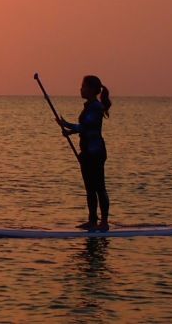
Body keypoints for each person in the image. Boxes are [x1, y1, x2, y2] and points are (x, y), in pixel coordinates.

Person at [57, 75, 112, 231]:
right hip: (87, 152)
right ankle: (92, 221)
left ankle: (104, 222)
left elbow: (86, 127)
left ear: (92, 89)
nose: (80, 89)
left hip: (96, 153)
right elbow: (85, 128)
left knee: (99, 187)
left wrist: (66, 124)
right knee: (89, 188)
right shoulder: (89, 106)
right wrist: (69, 131)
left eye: (83, 86)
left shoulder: (96, 107)